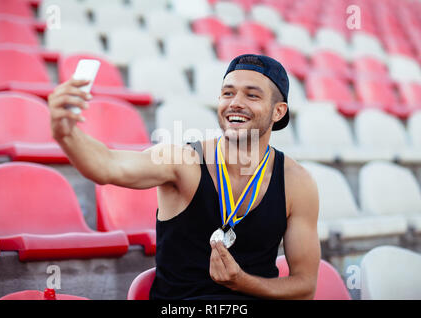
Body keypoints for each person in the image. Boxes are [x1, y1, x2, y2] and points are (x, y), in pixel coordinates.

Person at [48, 54, 320, 300]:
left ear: (278, 111)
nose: (235, 103)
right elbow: (107, 166)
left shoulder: (297, 182)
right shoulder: (183, 161)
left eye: (252, 96)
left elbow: (305, 286)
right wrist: (66, 134)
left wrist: (243, 283)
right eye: (227, 93)